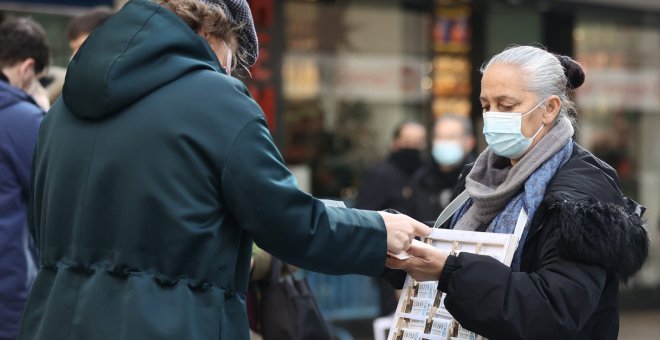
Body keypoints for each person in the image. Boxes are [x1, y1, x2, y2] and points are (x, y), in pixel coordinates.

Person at [18, 1, 429, 340]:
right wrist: (377, 231)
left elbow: (40, 226)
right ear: (216, 35)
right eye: (235, 59)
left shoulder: (61, 111)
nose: (231, 72)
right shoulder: (217, 99)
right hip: (173, 325)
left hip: (53, 321)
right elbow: (286, 221)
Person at [387, 45, 649, 340]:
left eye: (506, 105)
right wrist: (398, 241)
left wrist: (452, 272)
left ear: (549, 109)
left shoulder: (581, 197)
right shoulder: (480, 177)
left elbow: (555, 311)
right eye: (486, 106)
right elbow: (458, 243)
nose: (493, 116)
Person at [0, 17, 49, 340]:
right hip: (10, 294)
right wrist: (43, 115)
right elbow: (53, 191)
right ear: (28, 68)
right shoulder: (23, 119)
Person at [354, 121, 426, 317]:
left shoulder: (424, 175)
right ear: (395, 143)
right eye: (407, 141)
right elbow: (366, 216)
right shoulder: (380, 175)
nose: (412, 147)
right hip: (392, 263)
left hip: (424, 260)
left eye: (417, 142)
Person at [410, 114, 475, 222]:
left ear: (469, 143)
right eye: (439, 137)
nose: (443, 142)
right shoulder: (420, 179)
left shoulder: (479, 179)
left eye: (451, 137)